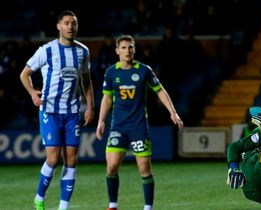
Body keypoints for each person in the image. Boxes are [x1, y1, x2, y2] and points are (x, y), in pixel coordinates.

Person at [96, 35, 184, 210]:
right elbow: (107, 98)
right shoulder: (111, 72)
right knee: (111, 166)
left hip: (138, 126)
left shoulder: (144, 70)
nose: (127, 51)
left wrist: (172, 112)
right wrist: (101, 121)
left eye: (130, 47)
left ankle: (148, 207)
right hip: (118, 127)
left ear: (134, 50)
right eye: (123, 47)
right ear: (117, 51)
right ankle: (113, 205)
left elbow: (160, 91)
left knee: (144, 168)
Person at [19, 10, 95, 210]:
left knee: (71, 159)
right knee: (53, 158)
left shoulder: (83, 51)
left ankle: (63, 206)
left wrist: (90, 107)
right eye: (67, 23)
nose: (71, 27)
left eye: (74, 23)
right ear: (58, 26)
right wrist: (33, 93)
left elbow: (86, 81)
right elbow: (24, 74)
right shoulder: (47, 50)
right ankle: (39, 197)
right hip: (50, 111)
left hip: (72, 113)